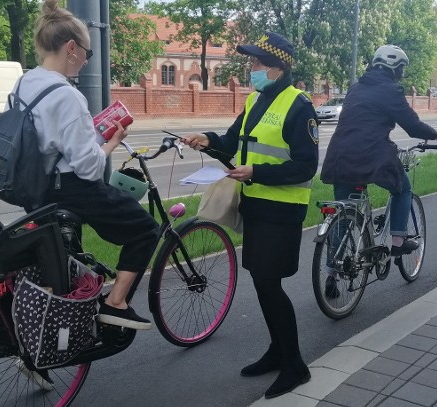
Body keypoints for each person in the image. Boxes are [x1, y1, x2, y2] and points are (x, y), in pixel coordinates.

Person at [182, 32, 318, 399]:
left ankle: (295, 366)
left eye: (257, 63)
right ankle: (278, 351)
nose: (251, 69)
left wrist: (257, 173)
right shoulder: (258, 99)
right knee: (261, 281)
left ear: (277, 66)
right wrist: (208, 140)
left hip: (283, 210)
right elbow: (232, 143)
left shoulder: (298, 105)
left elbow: (306, 166)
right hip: (257, 206)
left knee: (270, 284)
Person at [25, 0, 159, 330]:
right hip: (72, 189)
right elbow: (86, 167)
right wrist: (110, 142)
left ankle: (56, 330)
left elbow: (50, 140)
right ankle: (116, 303)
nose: (87, 61)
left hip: (37, 188)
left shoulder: (26, 83)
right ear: (71, 48)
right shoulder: (68, 95)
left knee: (65, 264)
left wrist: (90, 136)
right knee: (145, 229)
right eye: (87, 52)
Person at [319, 45, 437, 297]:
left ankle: (331, 273)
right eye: (402, 69)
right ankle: (398, 241)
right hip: (372, 156)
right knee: (402, 188)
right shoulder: (390, 89)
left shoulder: (356, 87)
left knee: (342, 213)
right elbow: (411, 123)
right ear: (395, 68)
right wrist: (431, 133)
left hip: (340, 156)